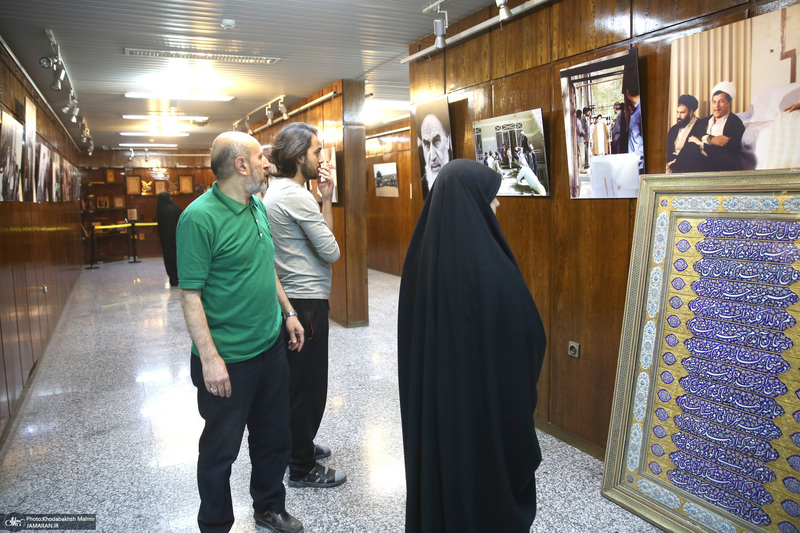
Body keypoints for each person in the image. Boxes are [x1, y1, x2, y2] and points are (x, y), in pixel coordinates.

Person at [398, 159, 546, 533]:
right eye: (491, 197)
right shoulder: (493, 271)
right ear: (475, 202)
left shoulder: (419, 261)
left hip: (436, 414)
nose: (497, 205)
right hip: (482, 419)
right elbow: (528, 336)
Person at [177, 131, 305, 533]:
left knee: (274, 438)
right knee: (220, 451)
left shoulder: (256, 206)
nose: (268, 163)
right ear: (241, 165)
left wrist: (288, 312)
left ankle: (269, 507)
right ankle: (215, 524)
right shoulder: (198, 218)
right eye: (260, 157)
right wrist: (211, 359)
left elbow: (265, 266)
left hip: (270, 349)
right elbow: (191, 295)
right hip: (227, 360)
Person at [263, 122, 346, 490]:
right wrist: (318, 201)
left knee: (299, 383)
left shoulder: (284, 190)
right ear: (299, 157)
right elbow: (332, 250)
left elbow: (322, 240)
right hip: (306, 302)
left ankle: (301, 446)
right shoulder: (295, 196)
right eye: (316, 152)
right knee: (308, 387)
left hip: (300, 299)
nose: (322, 158)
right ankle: (300, 466)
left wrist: (325, 197)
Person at [674, 81, 745, 173]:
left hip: (719, 165)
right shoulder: (704, 121)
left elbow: (728, 154)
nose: (716, 106)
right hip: (699, 162)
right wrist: (711, 139)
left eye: (721, 101)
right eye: (714, 102)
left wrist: (701, 143)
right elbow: (691, 139)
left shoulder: (735, 123)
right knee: (690, 149)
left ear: (729, 102)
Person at [419, 113, 451, 197]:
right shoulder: (422, 187)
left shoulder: (461, 179)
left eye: (436, 141)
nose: (432, 157)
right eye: (426, 144)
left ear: (447, 140)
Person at [665, 94, 699, 173]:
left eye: (682, 113)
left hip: (687, 166)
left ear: (691, 112)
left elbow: (694, 153)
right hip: (670, 165)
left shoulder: (699, 126)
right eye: (677, 112)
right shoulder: (674, 129)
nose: (678, 116)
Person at [156, 191, 181, 286]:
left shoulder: (161, 208)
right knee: (178, 256)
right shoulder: (174, 208)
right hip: (177, 237)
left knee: (169, 257)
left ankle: (173, 279)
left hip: (166, 239)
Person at [623, 68, 644, 172]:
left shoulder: (640, 110)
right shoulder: (636, 109)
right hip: (636, 162)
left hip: (640, 163)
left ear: (627, 93)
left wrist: (638, 157)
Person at [575, 110, 587, 174]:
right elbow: (580, 131)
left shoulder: (574, 120)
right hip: (580, 139)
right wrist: (584, 133)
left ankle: (579, 168)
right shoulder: (578, 121)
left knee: (579, 154)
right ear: (580, 115)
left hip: (576, 139)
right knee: (582, 154)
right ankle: (581, 168)